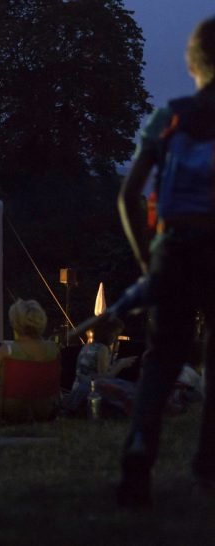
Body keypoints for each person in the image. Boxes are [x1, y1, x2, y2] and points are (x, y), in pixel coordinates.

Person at [116, 16, 215, 508]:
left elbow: (130, 194)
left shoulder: (168, 117)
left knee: (161, 360)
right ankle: (206, 468)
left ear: (191, 62)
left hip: (173, 247)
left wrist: (145, 258)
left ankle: (138, 450)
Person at [0, 299, 59, 422]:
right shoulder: (54, 350)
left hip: (9, 412)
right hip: (43, 411)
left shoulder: (7, 350)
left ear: (15, 323)